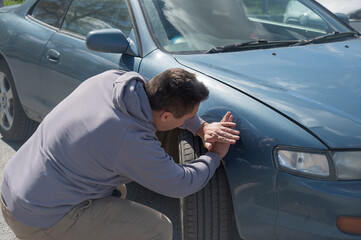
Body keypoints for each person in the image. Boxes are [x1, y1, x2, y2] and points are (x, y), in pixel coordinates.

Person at [1, 68, 239, 240]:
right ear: (166, 117)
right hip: (35, 218)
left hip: (14, 185)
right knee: (156, 228)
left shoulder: (115, 81)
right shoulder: (129, 138)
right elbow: (181, 182)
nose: (190, 121)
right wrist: (215, 156)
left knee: (118, 192)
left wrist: (201, 127)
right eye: (186, 118)